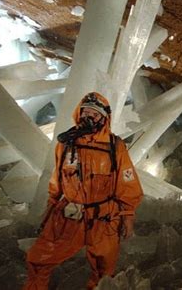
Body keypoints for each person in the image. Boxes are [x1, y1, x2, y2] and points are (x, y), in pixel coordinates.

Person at [23, 92, 144, 289]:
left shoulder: (115, 147)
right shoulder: (67, 144)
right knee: (39, 261)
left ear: (104, 118)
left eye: (95, 114)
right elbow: (58, 177)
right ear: (79, 114)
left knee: (104, 272)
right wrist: (51, 206)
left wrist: (128, 215)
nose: (89, 118)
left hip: (104, 220)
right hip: (70, 216)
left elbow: (126, 181)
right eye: (86, 113)